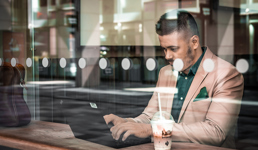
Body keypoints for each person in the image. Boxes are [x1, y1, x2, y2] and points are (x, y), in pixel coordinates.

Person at [104, 10, 244, 148]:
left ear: (194, 42)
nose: (167, 56)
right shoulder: (165, 72)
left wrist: (154, 130)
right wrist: (128, 122)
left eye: (173, 49)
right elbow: (150, 116)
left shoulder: (227, 74)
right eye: (164, 49)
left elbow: (215, 132)